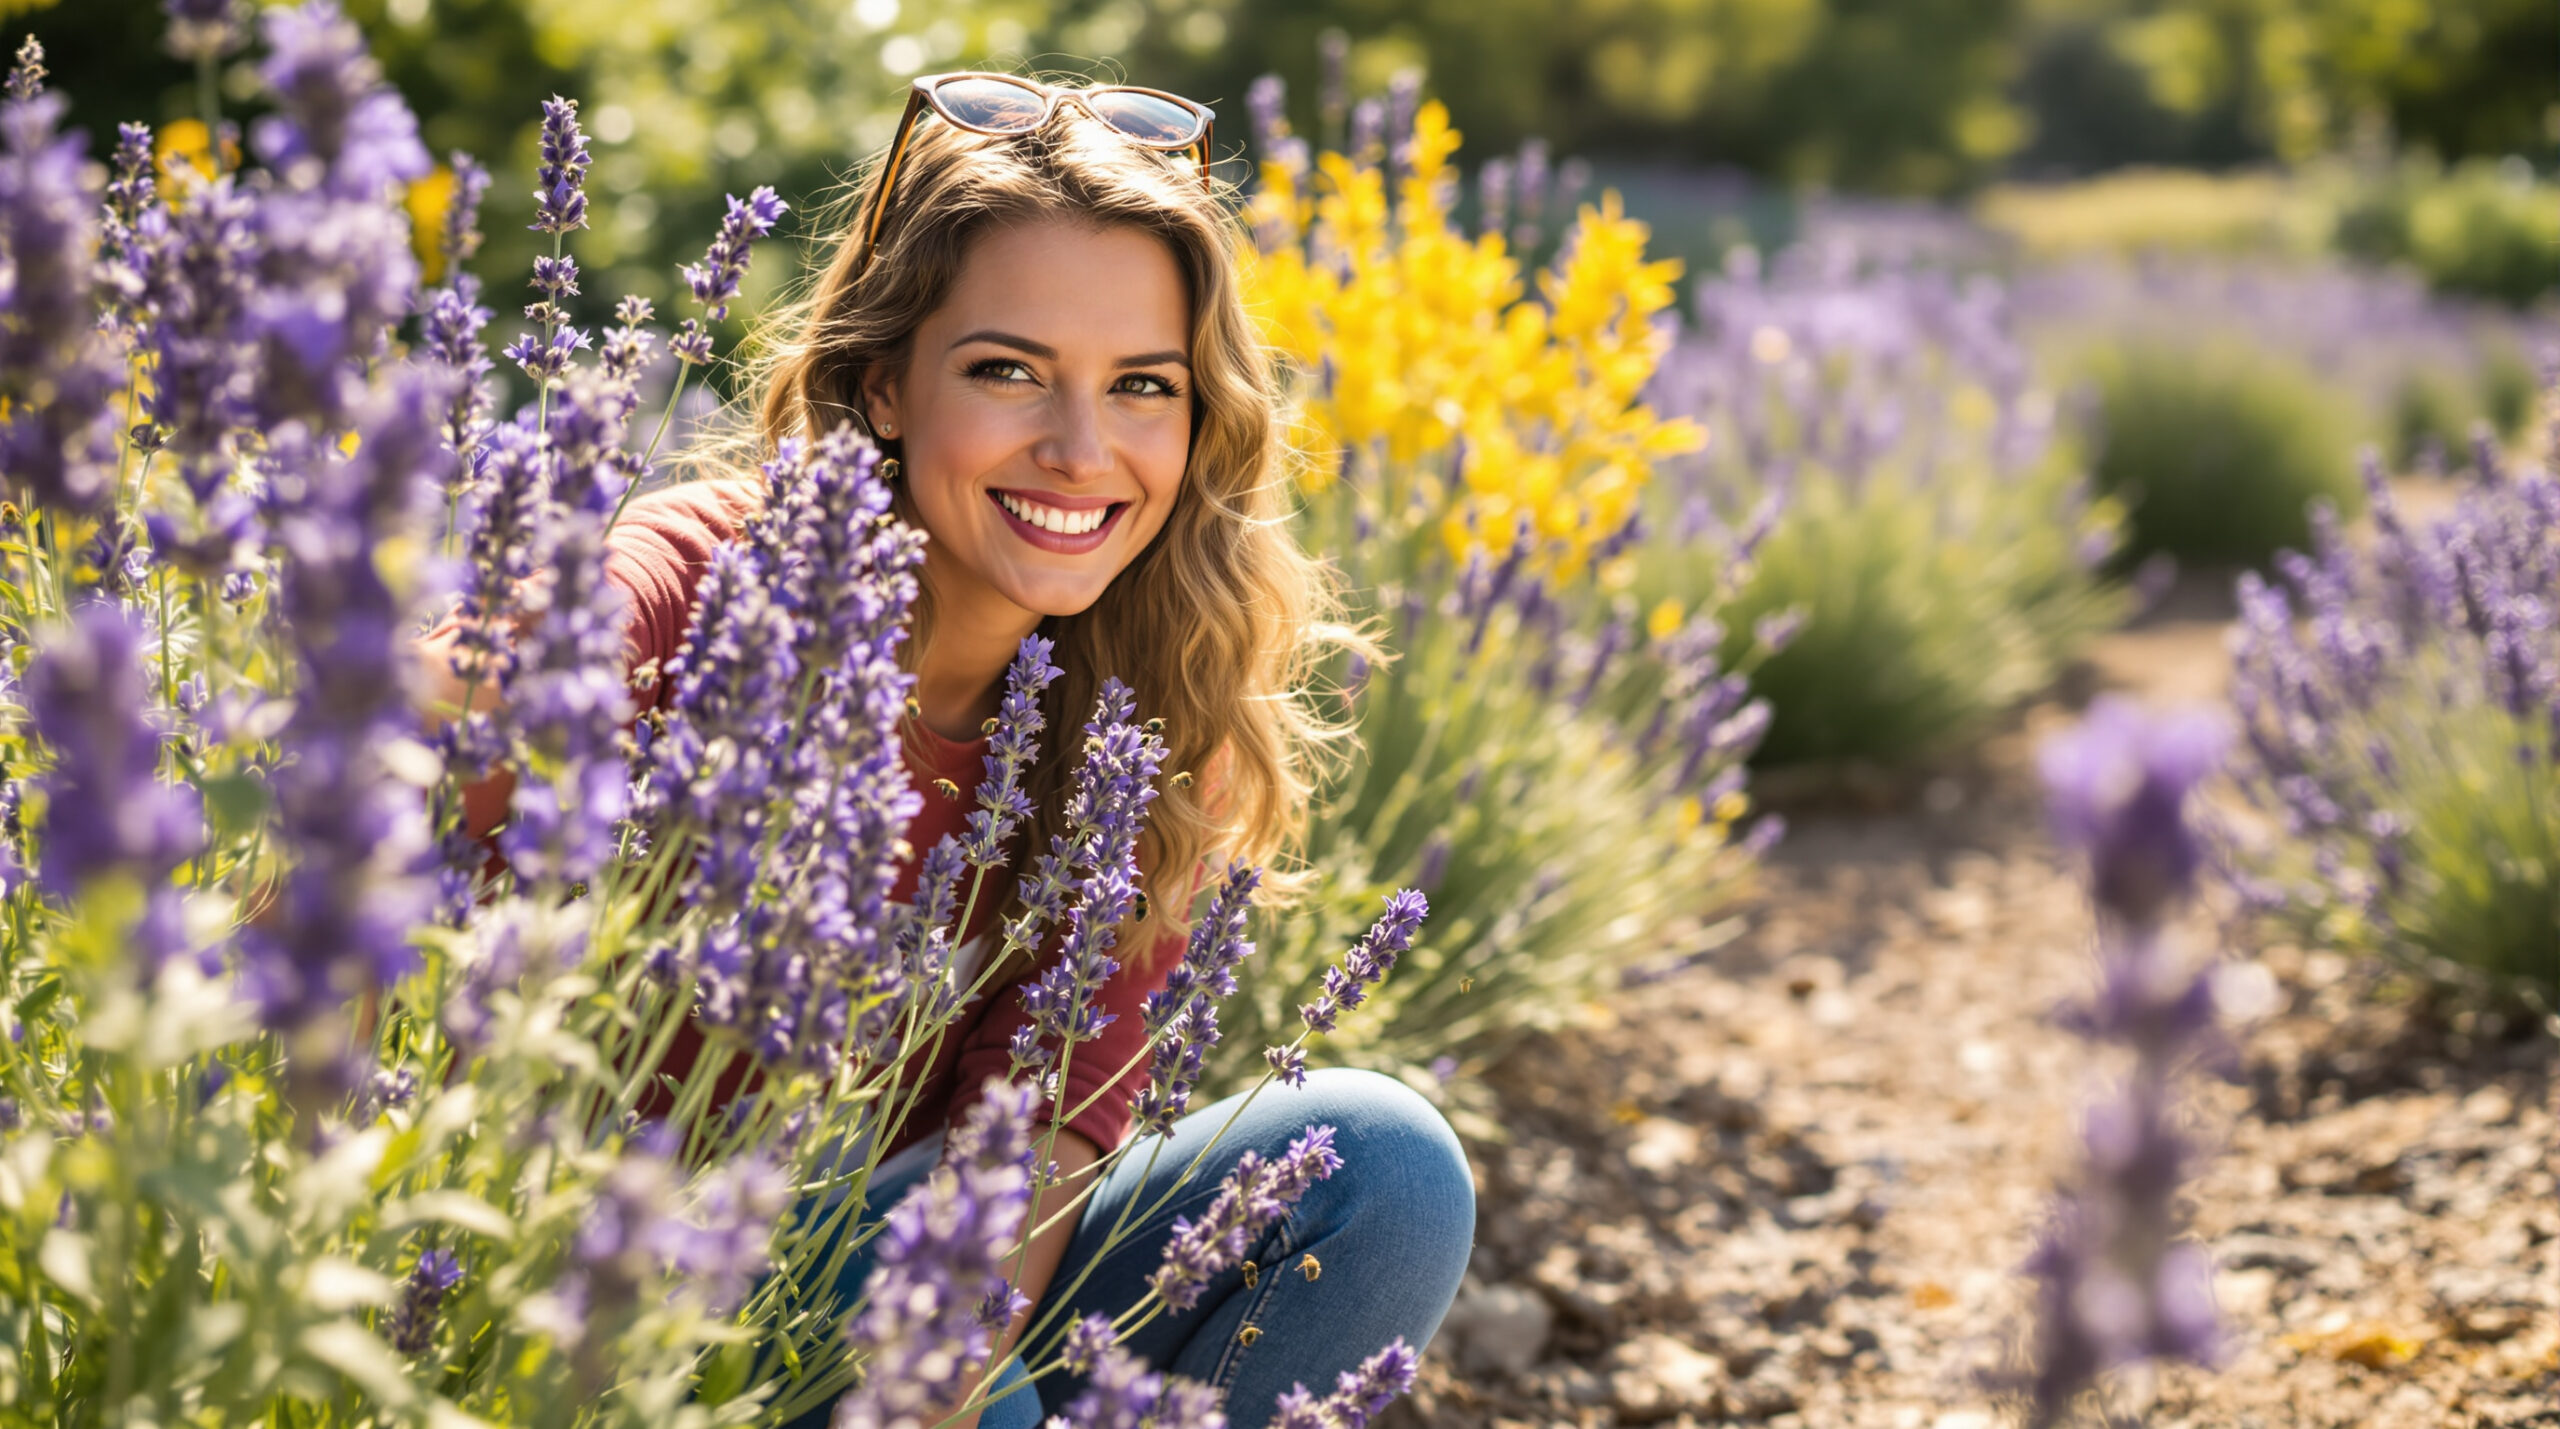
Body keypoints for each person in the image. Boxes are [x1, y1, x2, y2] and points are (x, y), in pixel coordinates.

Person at [418, 72, 1475, 1429]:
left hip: (827, 1293)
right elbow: (397, 736)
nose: (1081, 449)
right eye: (1008, 371)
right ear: (886, 384)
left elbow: (1022, 1157)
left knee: (1382, 1172)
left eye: (1141, 385)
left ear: (1197, 416)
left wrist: (949, 1378)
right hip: (536, 1275)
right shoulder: (707, 586)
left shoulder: (1150, 712)